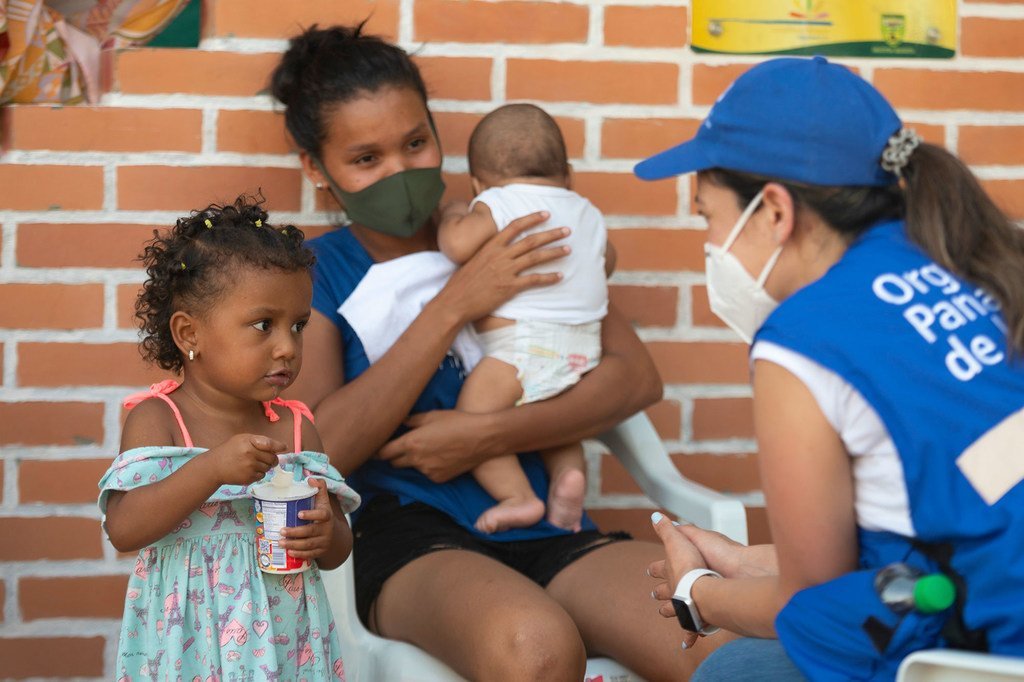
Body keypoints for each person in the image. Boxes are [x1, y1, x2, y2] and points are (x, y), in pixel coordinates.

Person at [272, 22, 725, 681]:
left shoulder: (508, 225)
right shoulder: (317, 271)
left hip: (547, 525)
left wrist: (482, 435)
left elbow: (633, 381)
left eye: (416, 143)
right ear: (316, 168)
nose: (399, 171)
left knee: (716, 637)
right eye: (366, 159)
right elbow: (317, 450)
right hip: (407, 537)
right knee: (535, 649)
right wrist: (455, 302)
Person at [634, 56, 1024, 681]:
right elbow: (953, 510)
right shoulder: (970, 262)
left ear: (775, 212)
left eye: (708, 215)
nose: (708, 245)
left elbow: (808, 600)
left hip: (989, 652)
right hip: (979, 586)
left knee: (729, 673)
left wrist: (698, 595)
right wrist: (753, 562)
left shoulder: (804, 340)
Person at [99, 196, 361, 681]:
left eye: (298, 326)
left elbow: (337, 550)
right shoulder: (159, 420)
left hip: (286, 649)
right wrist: (212, 468)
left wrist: (327, 532)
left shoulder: (297, 428)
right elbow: (124, 529)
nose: (287, 346)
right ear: (189, 333)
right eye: (264, 325)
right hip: (188, 645)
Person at [437, 102, 611, 534]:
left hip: (522, 347)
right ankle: (569, 483)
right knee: (555, 422)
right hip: (582, 347)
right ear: (567, 173)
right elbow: (607, 262)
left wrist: (454, 214)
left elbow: (457, 247)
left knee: (473, 417)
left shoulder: (498, 201)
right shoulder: (588, 211)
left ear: (479, 181)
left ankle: (519, 497)